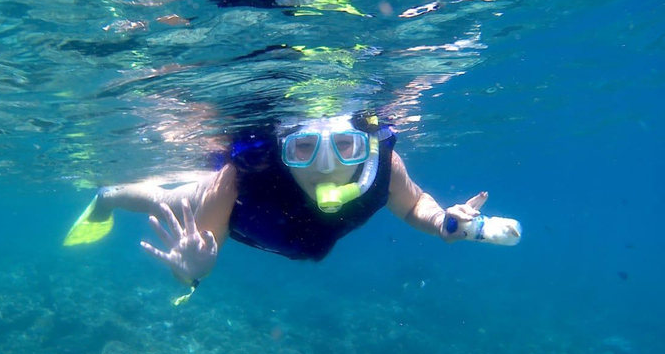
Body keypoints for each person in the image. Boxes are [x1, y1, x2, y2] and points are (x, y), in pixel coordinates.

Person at [63, 112, 502, 301]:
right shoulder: (240, 178)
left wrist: (444, 221)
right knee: (165, 200)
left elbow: (414, 206)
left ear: (365, 146)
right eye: (304, 147)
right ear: (281, 147)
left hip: (285, 233)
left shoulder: (382, 166)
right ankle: (106, 197)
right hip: (241, 218)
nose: (326, 168)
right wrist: (191, 268)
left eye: (346, 146)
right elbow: (200, 253)